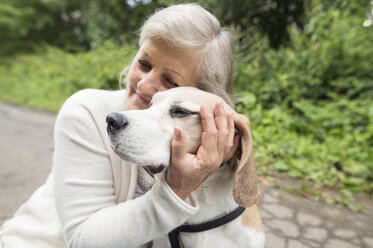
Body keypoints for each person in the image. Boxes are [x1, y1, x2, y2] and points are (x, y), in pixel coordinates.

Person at [0, 3, 239, 247]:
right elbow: (83, 239)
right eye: (144, 64)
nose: (144, 85)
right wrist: (175, 191)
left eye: (170, 81)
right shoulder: (87, 111)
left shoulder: (209, 150)